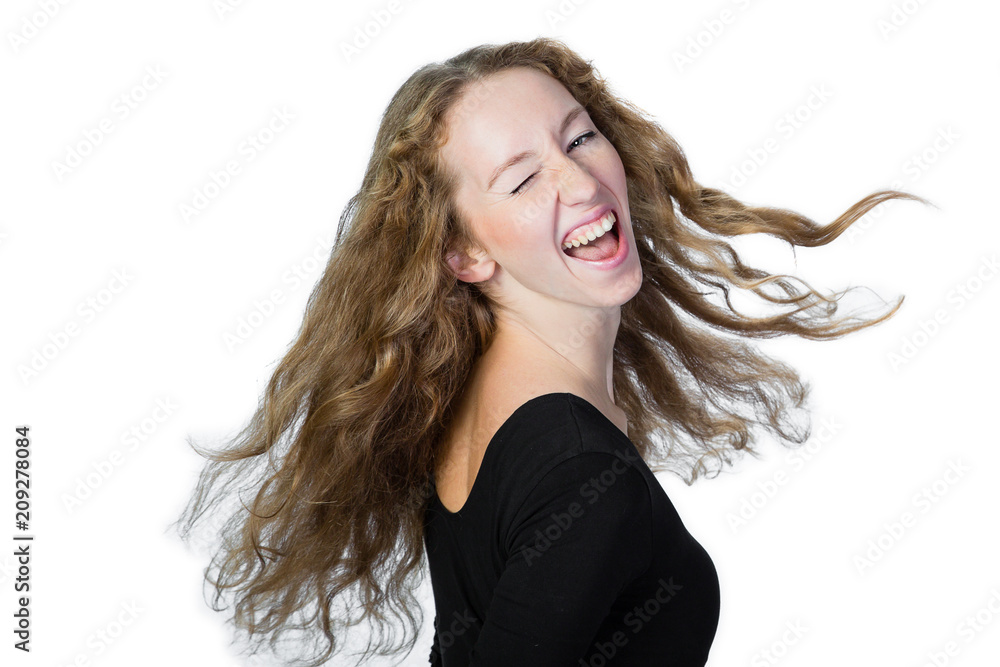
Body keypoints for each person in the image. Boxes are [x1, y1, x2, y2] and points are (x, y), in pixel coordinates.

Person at [176, 37, 931, 667]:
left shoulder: (484, 402)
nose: (579, 179)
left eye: (578, 137)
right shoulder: (579, 468)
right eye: (524, 178)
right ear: (464, 253)